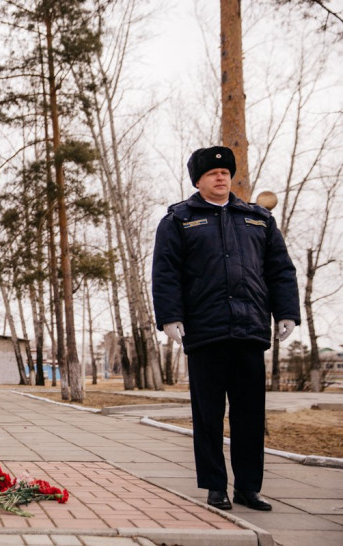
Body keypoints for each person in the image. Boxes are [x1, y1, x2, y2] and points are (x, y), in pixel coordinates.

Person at [152, 146, 300, 512]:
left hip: (249, 330)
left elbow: (280, 269)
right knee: (209, 416)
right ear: (198, 181)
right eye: (212, 173)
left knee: (250, 416)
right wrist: (170, 317)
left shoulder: (258, 219)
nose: (221, 177)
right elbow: (165, 272)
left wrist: (286, 312)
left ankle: (248, 488)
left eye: (225, 173)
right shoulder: (179, 220)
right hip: (205, 333)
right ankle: (215, 486)